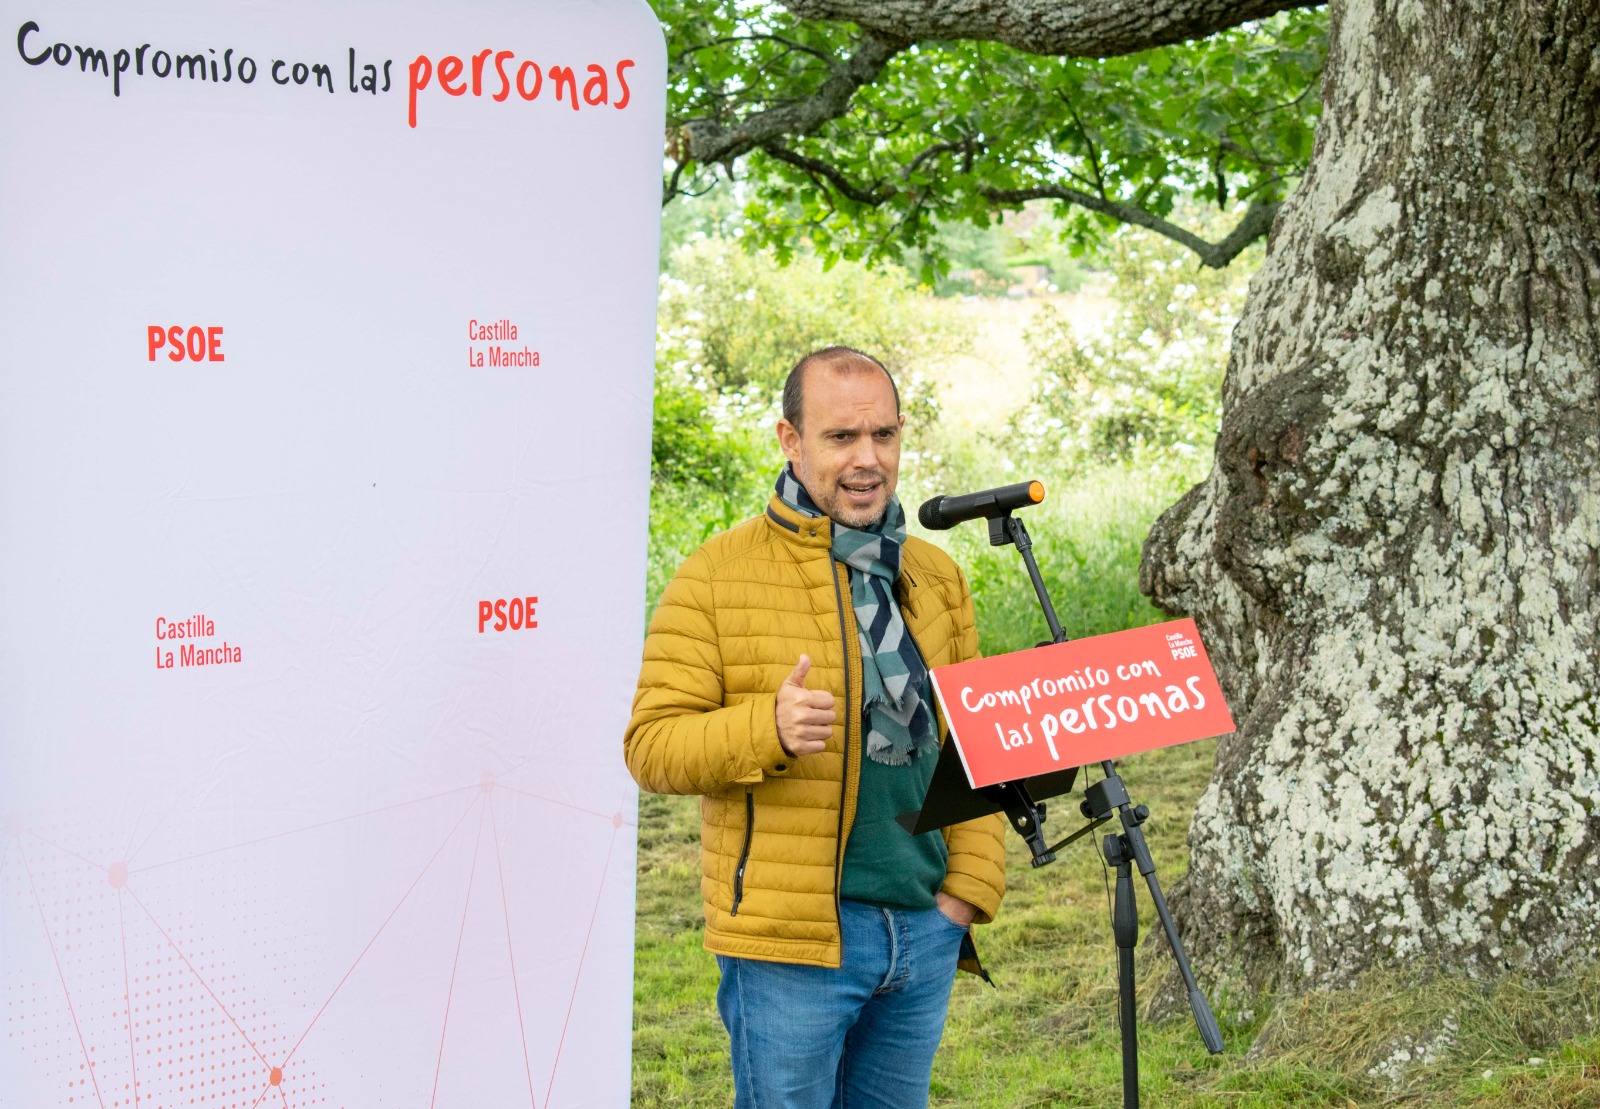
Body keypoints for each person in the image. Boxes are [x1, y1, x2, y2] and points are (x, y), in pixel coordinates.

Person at [624, 346, 1006, 1109]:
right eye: (841, 438)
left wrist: (965, 893)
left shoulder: (934, 575)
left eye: (884, 436)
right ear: (790, 440)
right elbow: (652, 745)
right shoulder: (715, 575)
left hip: (924, 928)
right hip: (793, 944)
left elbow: (976, 745)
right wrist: (764, 726)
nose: (868, 460)